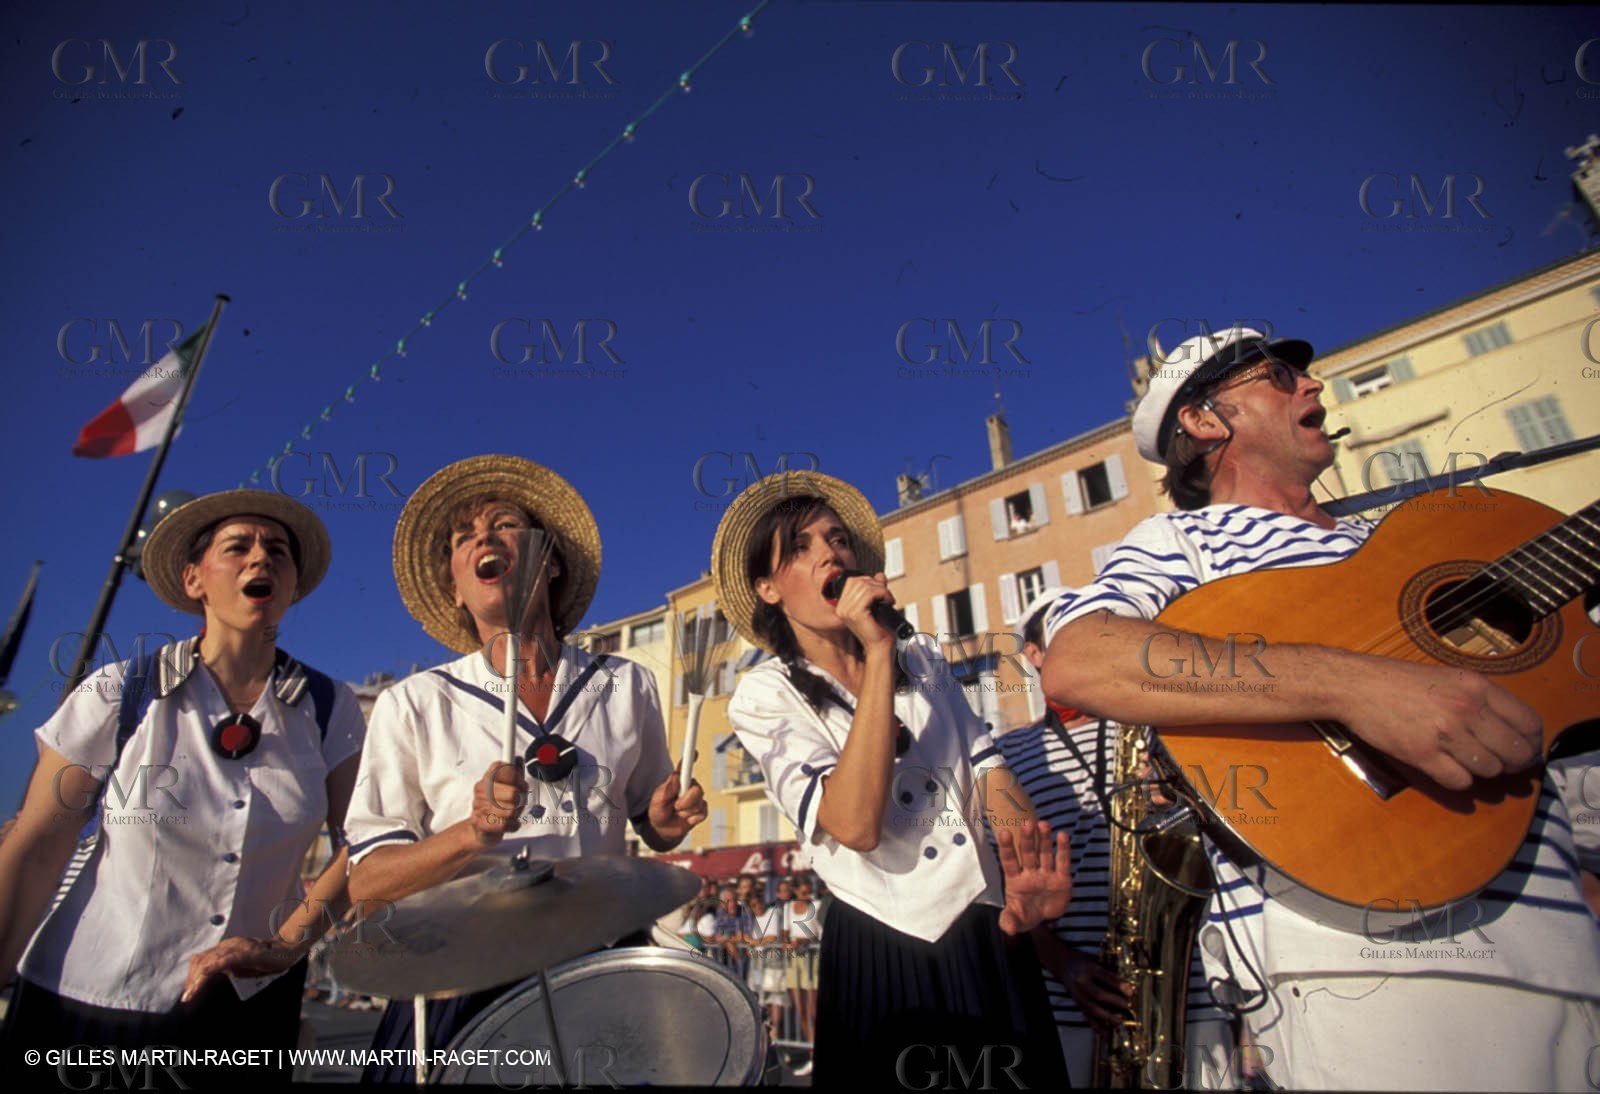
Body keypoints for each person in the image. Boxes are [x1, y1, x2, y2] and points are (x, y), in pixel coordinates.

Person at [1039, 325, 1600, 1090]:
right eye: (1277, 376)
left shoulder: (1410, 543)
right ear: (1206, 421)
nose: (1315, 385)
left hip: (1564, 938)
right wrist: (1357, 685)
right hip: (1368, 952)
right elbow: (1083, 658)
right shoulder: (1183, 539)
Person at [342, 455, 706, 1074]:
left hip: (601, 970)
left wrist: (668, 820)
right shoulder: (415, 703)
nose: (483, 537)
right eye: (463, 538)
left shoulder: (625, 685)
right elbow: (369, 882)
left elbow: (652, 820)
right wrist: (472, 832)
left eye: (505, 523)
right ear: (457, 587)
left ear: (552, 561)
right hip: (464, 986)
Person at [712, 470, 1072, 1088]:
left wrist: (1023, 867)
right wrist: (876, 652)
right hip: (885, 943)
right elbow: (852, 824)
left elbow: (984, 763)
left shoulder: (923, 659)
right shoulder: (764, 695)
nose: (831, 552)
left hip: (984, 929)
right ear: (768, 588)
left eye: (837, 539)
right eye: (800, 547)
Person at [0, 491, 364, 1083]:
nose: (260, 560)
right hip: (93, 1005)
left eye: (277, 550)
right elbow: (38, 844)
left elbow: (364, 844)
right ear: (194, 579)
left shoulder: (330, 709)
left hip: (250, 1014)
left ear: (293, 584)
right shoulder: (118, 693)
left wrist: (291, 943)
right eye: (238, 547)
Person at [1003, 589, 1235, 1087]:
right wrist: (1059, 962)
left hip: (1188, 991)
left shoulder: (1163, 726)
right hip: (1069, 1005)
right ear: (1035, 655)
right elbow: (996, 885)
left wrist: (1187, 795)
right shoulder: (1007, 753)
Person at [783, 875, 822, 1074]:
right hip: (794, 961)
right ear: (796, 891)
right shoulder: (787, 908)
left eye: (808, 890)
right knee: (802, 1012)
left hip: (812, 959)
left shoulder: (817, 905)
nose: (807, 894)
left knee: (814, 1011)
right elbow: (785, 933)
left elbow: (820, 935)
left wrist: (805, 942)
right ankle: (811, 1055)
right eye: (803, 891)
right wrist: (787, 943)